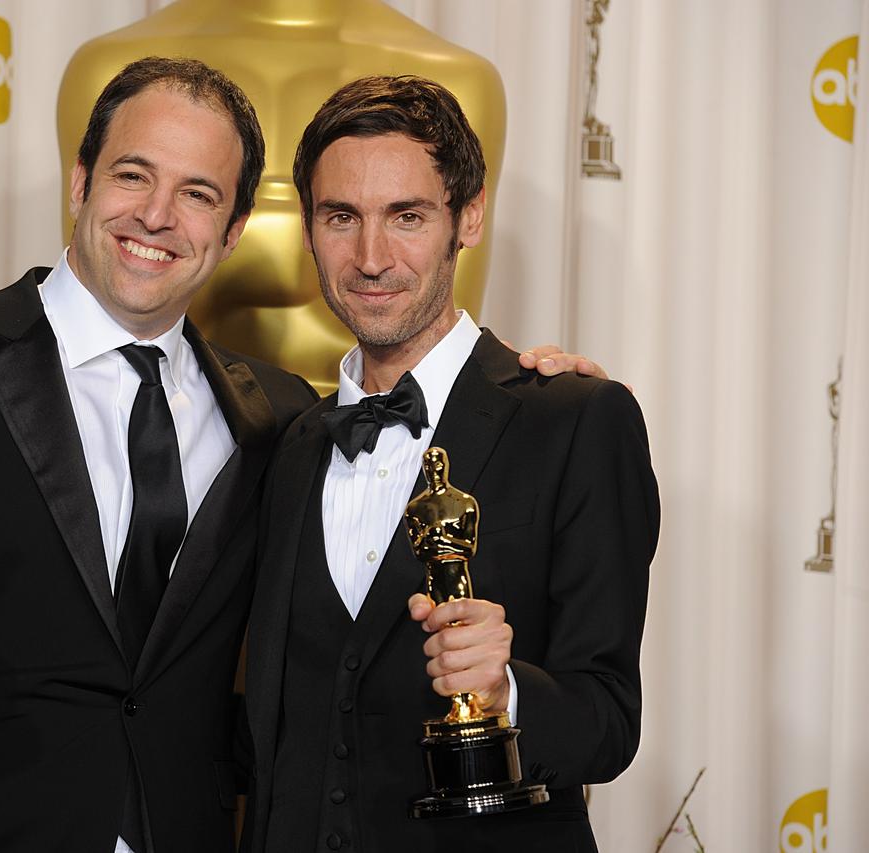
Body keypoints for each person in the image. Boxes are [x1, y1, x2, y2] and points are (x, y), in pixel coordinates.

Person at [0, 58, 607, 853]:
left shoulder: (282, 419)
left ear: (231, 233)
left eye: (197, 193)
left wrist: (539, 392)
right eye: (133, 174)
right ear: (79, 182)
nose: (156, 214)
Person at [244, 76, 660, 853]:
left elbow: (609, 723)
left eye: (407, 216)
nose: (371, 257)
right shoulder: (286, 447)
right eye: (342, 217)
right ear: (307, 229)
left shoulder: (575, 419)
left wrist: (503, 688)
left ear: (468, 217)